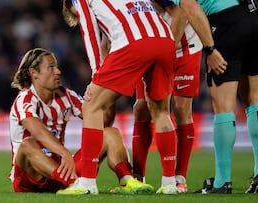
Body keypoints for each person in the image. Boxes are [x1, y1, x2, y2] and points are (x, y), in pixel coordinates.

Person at [59, 0, 180, 195]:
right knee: (160, 111)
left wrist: (96, 73)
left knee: (91, 106)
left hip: (134, 42)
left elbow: (90, 32)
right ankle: (169, 184)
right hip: (165, 38)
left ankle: (87, 182)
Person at [8, 47, 154, 194]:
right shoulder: (24, 99)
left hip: (61, 170)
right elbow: (37, 131)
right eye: (51, 67)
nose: (58, 71)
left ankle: (126, 180)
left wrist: (108, 95)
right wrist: (64, 152)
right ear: (34, 73)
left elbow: (102, 123)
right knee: (27, 144)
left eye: (57, 67)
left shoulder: (67, 95)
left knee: (110, 133)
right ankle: (75, 182)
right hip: (29, 178)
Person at [171, 0, 258, 194]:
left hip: (227, 24)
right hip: (253, 16)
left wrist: (209, 49)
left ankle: (221, 182)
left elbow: (190, 7)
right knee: (254, 101)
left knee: (223, 106)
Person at [132, 0, 202, 194]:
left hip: (183, 47)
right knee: (141, 109)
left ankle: (179, 177)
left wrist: (166, 53)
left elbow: (179, 14)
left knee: (181, 110)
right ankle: (137, 178)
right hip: (150, 47)